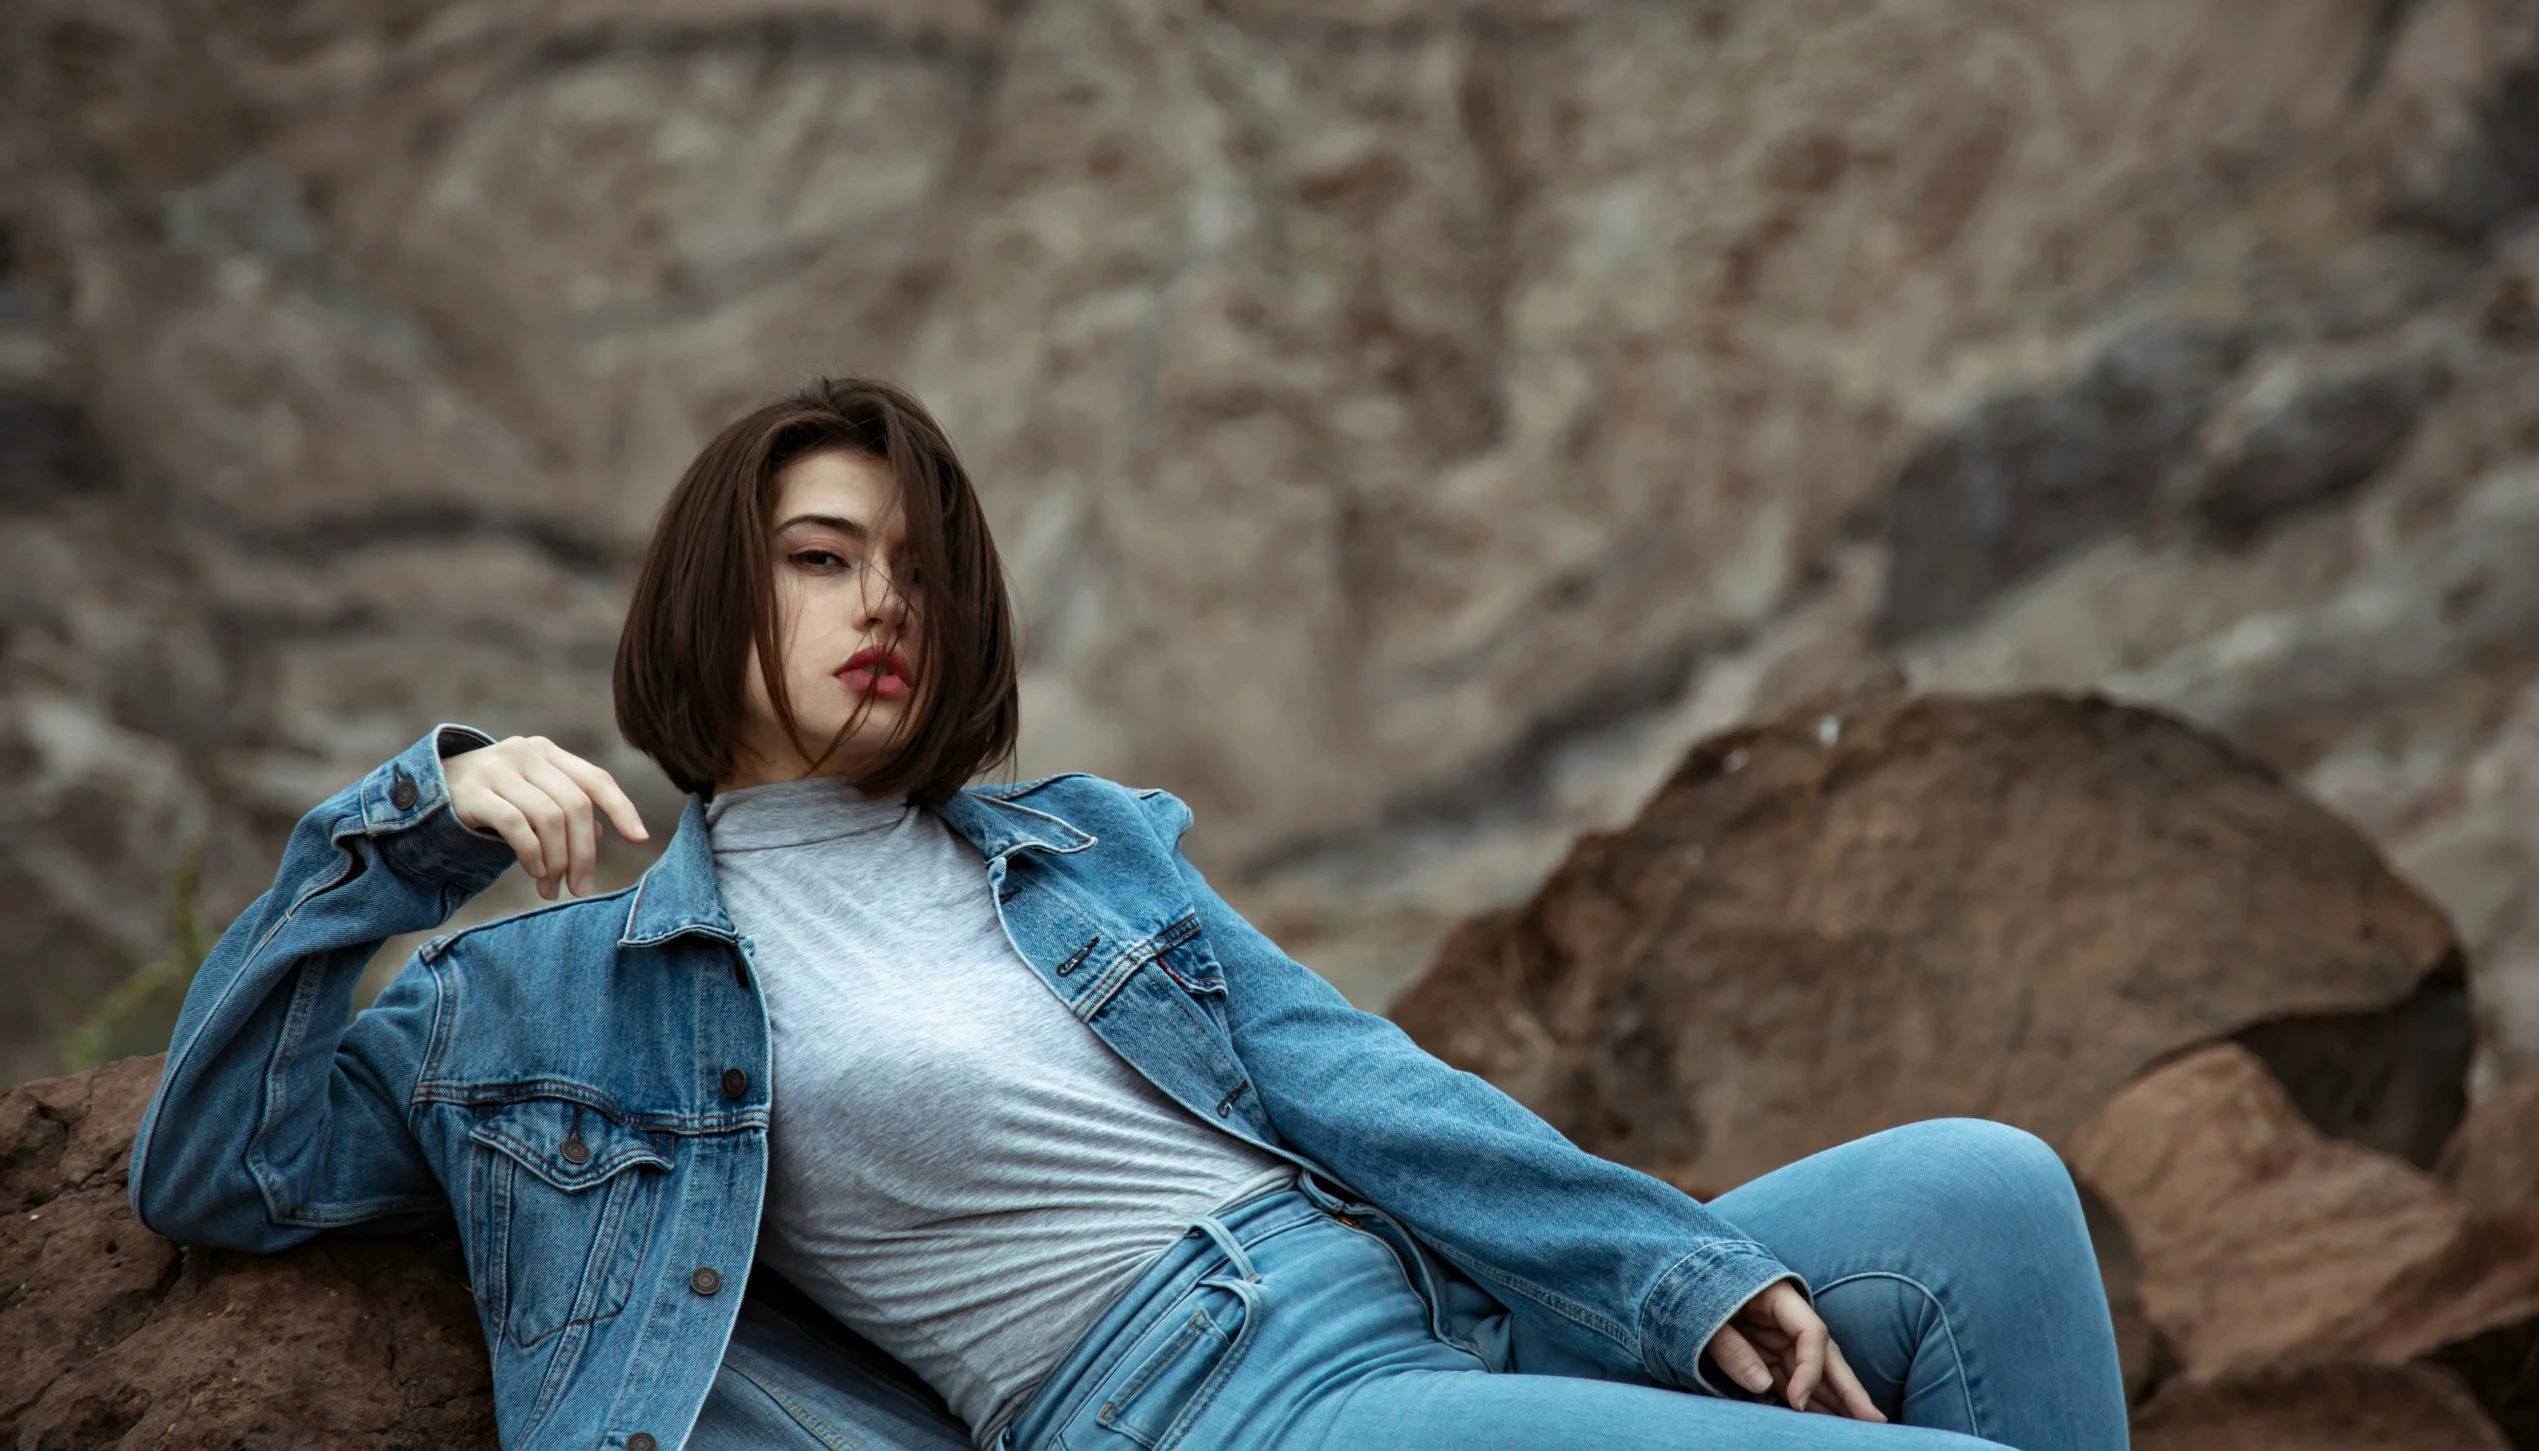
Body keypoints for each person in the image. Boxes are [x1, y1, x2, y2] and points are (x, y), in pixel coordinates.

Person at [129, 378, 2129, 1451]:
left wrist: (1673, 1265)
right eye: (820, 557)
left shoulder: (1072, 848)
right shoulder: (553, 999)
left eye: (913, 565)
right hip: (1214, 1405)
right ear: (707, 599)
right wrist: (411, 821)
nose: (882, 602)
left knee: (1990, 1195)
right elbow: (213, 1158)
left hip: (1432, 1302)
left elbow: (1360, 1079)